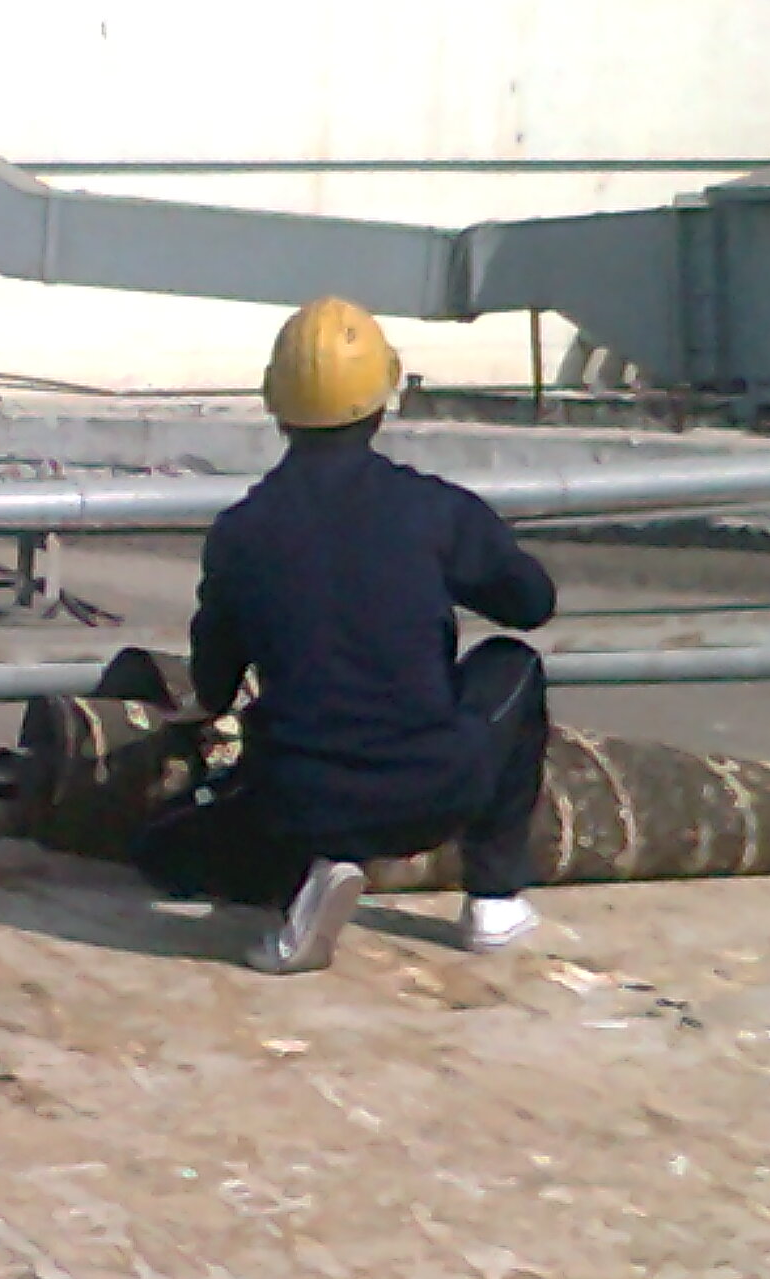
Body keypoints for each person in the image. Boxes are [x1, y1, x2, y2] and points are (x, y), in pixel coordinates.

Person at [135, 296, 556, 974]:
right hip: (432, 791)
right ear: (382, 400)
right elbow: (531, 605)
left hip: (296, 803)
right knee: (513, 664)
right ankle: (494, 900)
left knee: (175, 843)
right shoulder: (432, 508)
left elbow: (213, 684)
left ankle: (304, 881)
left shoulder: (241, 531)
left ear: (276, 405)